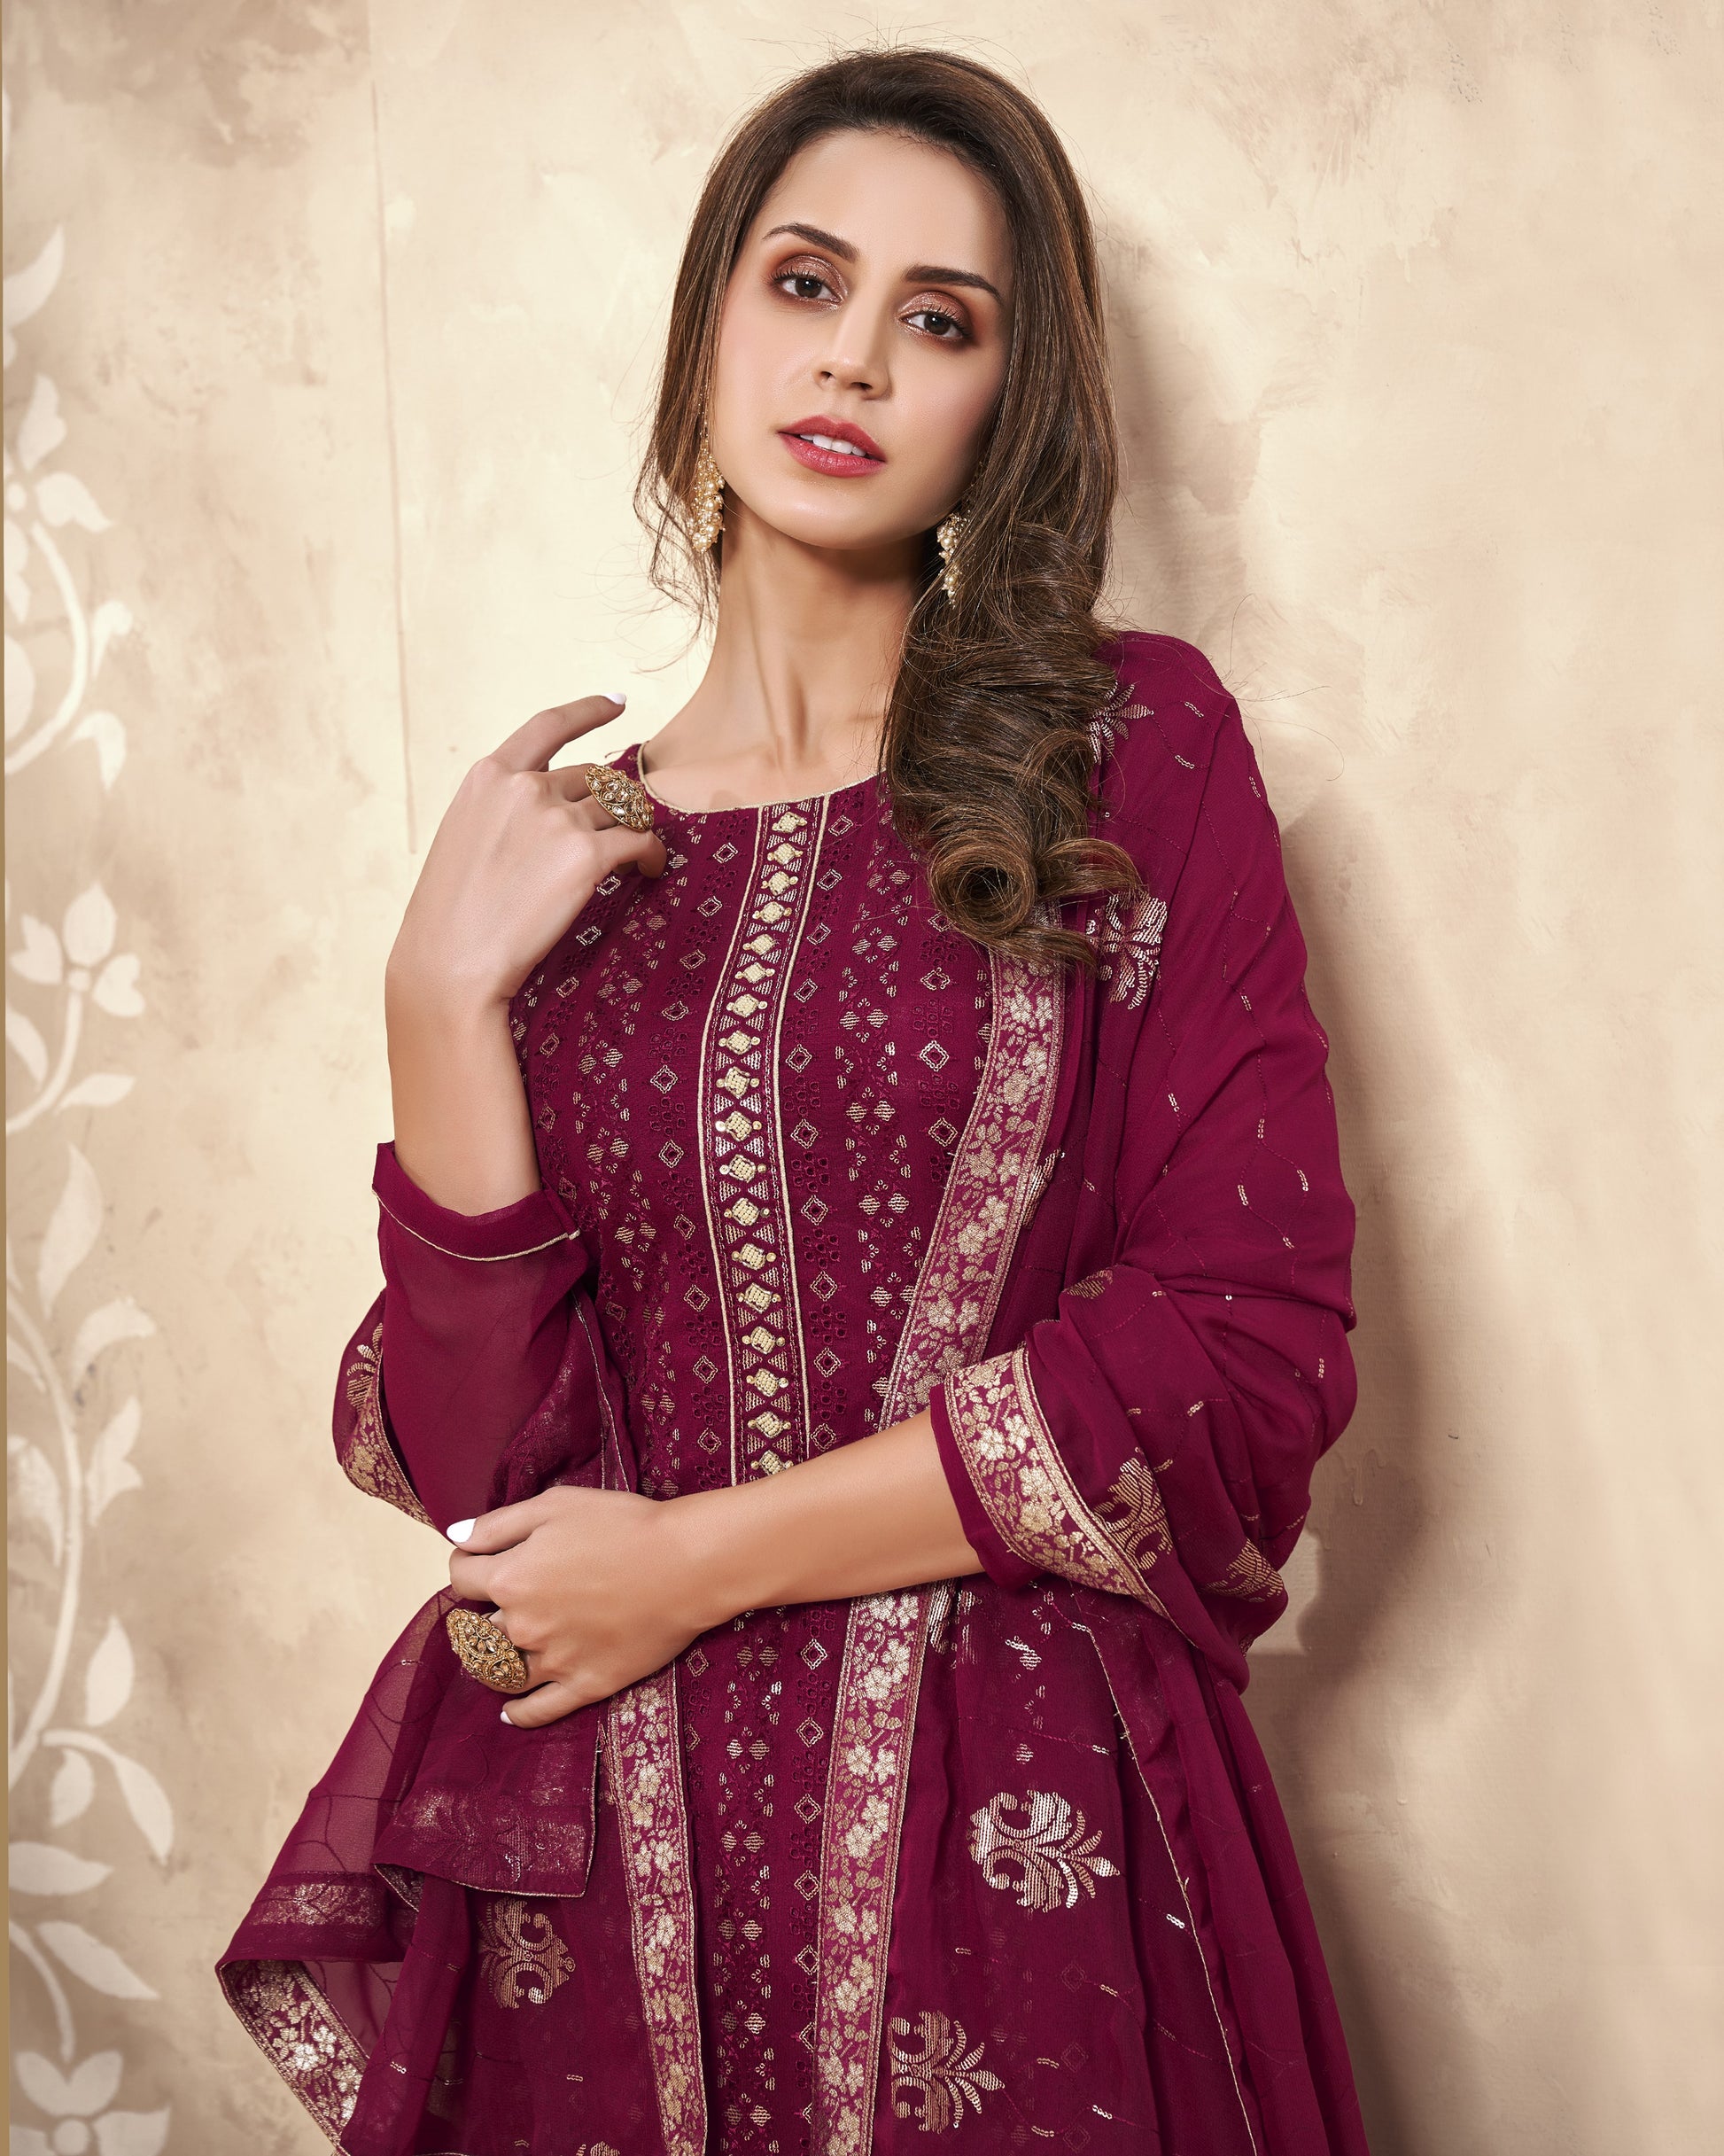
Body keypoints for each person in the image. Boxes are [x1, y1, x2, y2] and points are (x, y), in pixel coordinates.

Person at [218, 46, 1369, 2156]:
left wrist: (700, 1560)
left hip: (1015, 1843)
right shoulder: (563, 868)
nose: (853, 355)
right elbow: (500, 1498)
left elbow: (1243, 1340)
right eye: (804, 281)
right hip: (600, 1880)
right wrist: (432, 1006)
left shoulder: (1132, 758)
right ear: (704, 331)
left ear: (998, 408)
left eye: (938, 319)